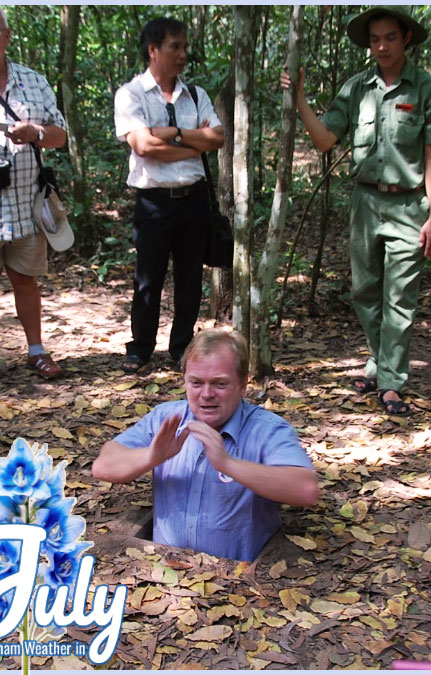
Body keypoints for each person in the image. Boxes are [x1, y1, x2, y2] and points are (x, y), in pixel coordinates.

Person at [284, 6, 431, 416]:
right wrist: (299, 98)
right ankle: (379, 363)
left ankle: (391, 383)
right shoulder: (357, 89)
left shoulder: (426, 89)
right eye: (375, 39)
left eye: (390, 37)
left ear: (406, 38)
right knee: (364, 292)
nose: (382, 46)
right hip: (365, 202)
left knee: (400, 297)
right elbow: (324, 140)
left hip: (410, 204)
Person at [93, 329, 320, 561]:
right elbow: (103, 467)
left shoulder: (267, 429)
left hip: (238, 580)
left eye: (220, 384)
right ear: (184, 381)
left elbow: (306, 490)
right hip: (164, 571)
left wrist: (228, 464)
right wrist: (151, 456)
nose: (206, 394)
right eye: (196, 383)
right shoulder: (166, 417)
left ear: (242, 385)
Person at [0, 5, 69, 386]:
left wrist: (35, 132)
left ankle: (36, 350)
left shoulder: (33, 81)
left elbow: (61, 135)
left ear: (6, 36)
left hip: (25, 203)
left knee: (26, 278)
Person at [114, 17, 225, 374]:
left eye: (184, 47)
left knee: (190, 278)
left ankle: (182, 347)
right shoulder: (131, 94)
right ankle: (141, 348)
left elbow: (217, 139)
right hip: (154, 202)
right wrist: (192, 140)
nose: (182, 54)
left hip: (194, 200)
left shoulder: (196, 95)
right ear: (153, 50)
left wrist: (172, 133)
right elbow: (143, 145)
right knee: (148, 278)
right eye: (174, 46)